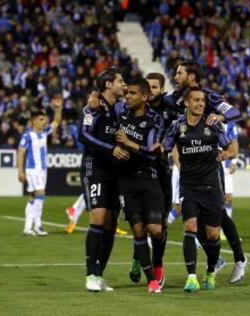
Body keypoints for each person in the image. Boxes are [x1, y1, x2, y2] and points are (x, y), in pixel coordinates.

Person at [161, 87, 236, 292]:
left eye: (202, 100)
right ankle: (191, 276)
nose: (201, 103)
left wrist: (226, 154)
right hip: (189, 185)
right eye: (196, 100)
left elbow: (229, 147)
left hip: (211, 186)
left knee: (212, 235)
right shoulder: (177, 126)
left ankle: (210, 270)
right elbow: (165, 146)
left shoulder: (213, 124)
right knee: (190, 227)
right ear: (186, 103)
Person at [79, 68, 129, 292]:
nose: (124, 84)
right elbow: (84, 135)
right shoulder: (94, 106)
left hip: (115, 171)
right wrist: (112, 149)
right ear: (108, 84)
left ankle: (99, 275)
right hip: (95, 168)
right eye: (120, 81)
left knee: (111, 222)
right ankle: (90, 274)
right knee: (98, 219)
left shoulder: (119, 108)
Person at [116, 78, 165, 293]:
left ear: (144, 97)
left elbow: (152, 153)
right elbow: (104, 100)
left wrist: (129, 144)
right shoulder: (121, 114)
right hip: (127, 180)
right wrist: (94, 97)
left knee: (155, 230)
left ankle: (158, 264)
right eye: (126, 93)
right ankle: (152, 280)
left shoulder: (155, 119)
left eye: (132, 93)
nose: (127, 96)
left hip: (150, 177)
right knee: (138, 231)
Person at [17, 96, 62, 236]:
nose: (44, 122)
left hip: (42, 170)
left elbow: (56, 122)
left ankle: (27, 227)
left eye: (44, 120)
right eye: (41, 120)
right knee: (41, 195)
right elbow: (21, 152)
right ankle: (38, 225)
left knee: (32, 197)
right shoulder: (28, 136)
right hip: (32, 170)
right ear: (33, 121)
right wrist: (20, 171)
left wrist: (58, 108)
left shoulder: (44, 133)